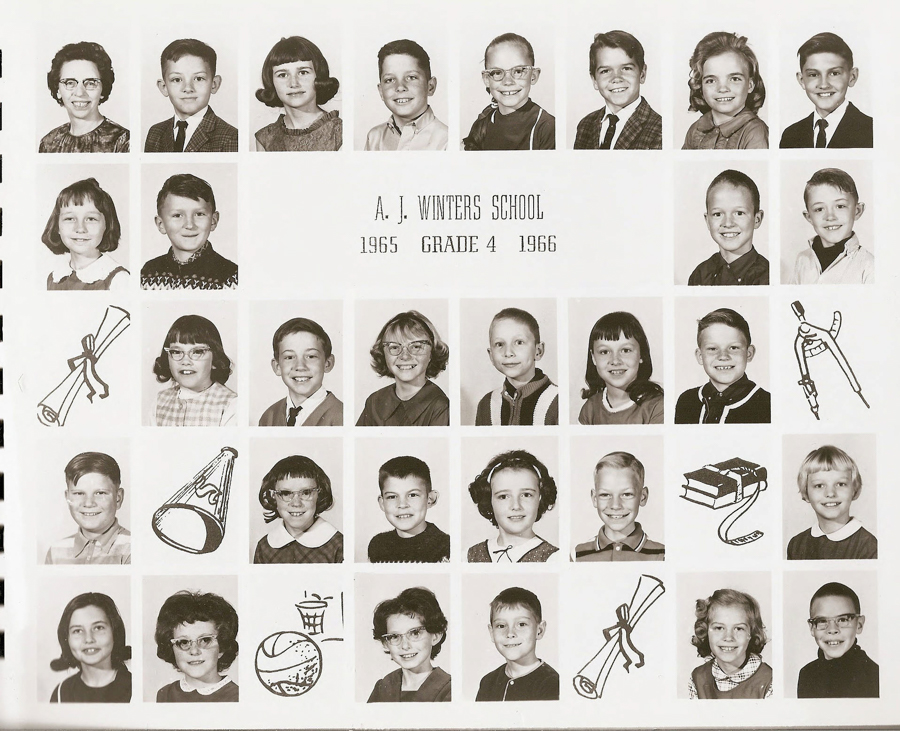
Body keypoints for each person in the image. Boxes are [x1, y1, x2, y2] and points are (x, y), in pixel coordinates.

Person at [141, 173, 238, 290]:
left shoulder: (231, 277)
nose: (190, 225)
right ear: (161, 224)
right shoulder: (148, 273)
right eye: (177, 215)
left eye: (199, 214)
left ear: (213, 220)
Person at [674, 307, 770, 424]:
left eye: (733, 348)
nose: (723, 356)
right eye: (713, 349)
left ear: (749, 353)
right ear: (700, 356)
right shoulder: (687, 401)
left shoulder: (767, 404)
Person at [357, 310, 449, 426]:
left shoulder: (440, 407)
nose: (405, 356)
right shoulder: (374, 401)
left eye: (416, 346)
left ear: (432, 353)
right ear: (383, 353)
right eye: (394, 347)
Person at [463, 33, 555, 150]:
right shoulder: (482, 124)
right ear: (487, 79)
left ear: (533, 76)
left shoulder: (546, 127)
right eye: (497, 72)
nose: (507, 81)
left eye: (518, 71)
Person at [780, 33, 872, 149]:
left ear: (852, 77)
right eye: (813, 74)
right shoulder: (791, 135)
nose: (823, 85)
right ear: (802, 80)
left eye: (834, 73)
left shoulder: (871, 130)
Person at [145, 38, 238, 153]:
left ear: (214, 84)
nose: (188, 88)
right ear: (164, 87)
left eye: (199, 78)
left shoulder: (231, 138)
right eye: (177, 79)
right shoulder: (155, 133)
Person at [574, 30, 662, 150]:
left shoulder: (660, 130)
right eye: (605, 71)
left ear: (642, 74)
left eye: (626, 68)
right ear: (594, 80)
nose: (616, 78)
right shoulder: (585, 125)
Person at [467, 450, 558, 563]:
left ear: (540, 497)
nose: (516, 506)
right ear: (489, 500)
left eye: (526, 495)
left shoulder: (554, 559)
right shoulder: (467, 557)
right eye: (504, 496)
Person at [787, 445, 877, 560]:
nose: (830, 493)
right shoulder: (797, 545)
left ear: (854, 489)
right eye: (819, 485)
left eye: (840, 484)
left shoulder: (868, 546)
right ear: (806, 492)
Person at [682, 32, 768, 150]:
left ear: (750, 85)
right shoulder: (695, 129)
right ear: (700, 86)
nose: (722, 89)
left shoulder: (755, 132)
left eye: (734, 79)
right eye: (711, 81)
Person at [254, 36, 342, 151]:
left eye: (303, 72)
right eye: (282, 75)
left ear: (318, 76)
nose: (293, 83)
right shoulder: (265, 138)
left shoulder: (339, 133)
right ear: (271, 82)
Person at [573, 451, 664, 561]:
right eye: (605, 495)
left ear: (643, 497)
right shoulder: (577, 555)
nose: (615, 505)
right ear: (595, 498)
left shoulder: (662, 555)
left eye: (626, 494)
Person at [40, 41, 129, 153]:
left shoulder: (123, 141)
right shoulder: (48, 142)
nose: (80, 92)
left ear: (103, 89)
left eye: (91, 83)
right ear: (58, 90)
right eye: (70, 82)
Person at [42, 177, 129, 291]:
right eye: (69, 218)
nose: (80, 228)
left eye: (91, 219)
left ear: (107, 225)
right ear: (57, 226)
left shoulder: (119, 280)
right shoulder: (54, 278)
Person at [476, 308, 558, 426]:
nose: (508, 353)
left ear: (538, 351)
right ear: (491, 355)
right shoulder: (486, 404)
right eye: (499, 344)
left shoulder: (557, 400)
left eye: (519, 342)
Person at [253, 455, 343, 563]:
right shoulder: (264, 547)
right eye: (285, 493)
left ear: (319, 494)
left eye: (306, 493)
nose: (296, 503)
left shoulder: (339, 546)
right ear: (273, 496)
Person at [578, 311, 663, 424]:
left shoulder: (657, 407)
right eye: (604, 352)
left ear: (641, 354)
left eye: (626, 350)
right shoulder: (589, 409)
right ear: (593, 357)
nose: (615, 361)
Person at [151, 314, 237, 427]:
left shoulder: (231, 404)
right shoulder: (160, 401)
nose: (185, 361)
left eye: (197, 352)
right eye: (176, 352)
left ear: (215, 359)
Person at [790, 168, 872, 284]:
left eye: (840, 206)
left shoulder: (869, 266)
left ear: (857, 211)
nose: (830, 216)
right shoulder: (802, 259)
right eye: (819, 209)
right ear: (809, 217)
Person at [46, 452, 130, 565]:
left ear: (118, 498)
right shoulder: (55, 552)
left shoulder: (133, 548)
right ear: (67, 498)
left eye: (100, 493)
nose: (89, 503)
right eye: (79, 493)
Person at [368, 587, 450, 702]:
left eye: (415, 633)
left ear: (435, 636)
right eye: (394, 637)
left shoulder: (449, 690)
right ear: (385, 643)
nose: (405, 646)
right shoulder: (382, 688)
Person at [154, 591, 239, 702]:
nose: (194, 651)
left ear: (222, 647)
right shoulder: (165, 694)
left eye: (205, 640)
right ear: (172, 648)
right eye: (183, 642)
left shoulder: (237, 696)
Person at [798, 582, 879, 697]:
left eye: (842, 620)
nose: (832, 629)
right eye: (822, 621)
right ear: (812, 628)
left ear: (859, 625)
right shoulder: (807, 675)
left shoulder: (875, 677)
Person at [477, 587, 558, 701]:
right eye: (501, 626)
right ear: (491, 632)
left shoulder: (551, 684)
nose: (510, 633)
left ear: (539, 630)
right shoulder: (488, 682)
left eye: (521, 624)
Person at [688, 170, 768, 286]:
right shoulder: (700, 274)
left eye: (739, 213)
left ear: (757, 219)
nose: (728, 223)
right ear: (707, 221)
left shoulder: (767, 277)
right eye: (718, 214)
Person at [258, 318, 343, 426]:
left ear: (328, 363)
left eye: (311, 356)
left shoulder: (341, 417)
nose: (300, 366)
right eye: (289, 357)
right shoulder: (269, 417)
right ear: (277, 366)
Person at [689, 588, 772, 699]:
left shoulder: (770, 681)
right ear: (705, 631)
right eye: (719, 628)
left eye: (738, 628)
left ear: (751, 633)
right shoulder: (698, 677)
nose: (728, 637)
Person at [365, 39, 447, 151]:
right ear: (381, 92)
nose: (400, 87)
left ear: (430, 86)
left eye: (411, 77)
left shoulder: (447, 141)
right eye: (390, 80)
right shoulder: (374, 137)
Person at [49, 592, 132, 702]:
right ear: (66, 639)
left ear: (115, 633)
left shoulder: (135, 688)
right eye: (77, 631)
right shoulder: (61, 693)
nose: (88, 639)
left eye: (98, 628)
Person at [368, 456, 450, 563]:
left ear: (430, 499)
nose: (402, 505)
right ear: (382, 503)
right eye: (392, 497)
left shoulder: (446, 547)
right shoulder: (377, 545)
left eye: (412, 495)